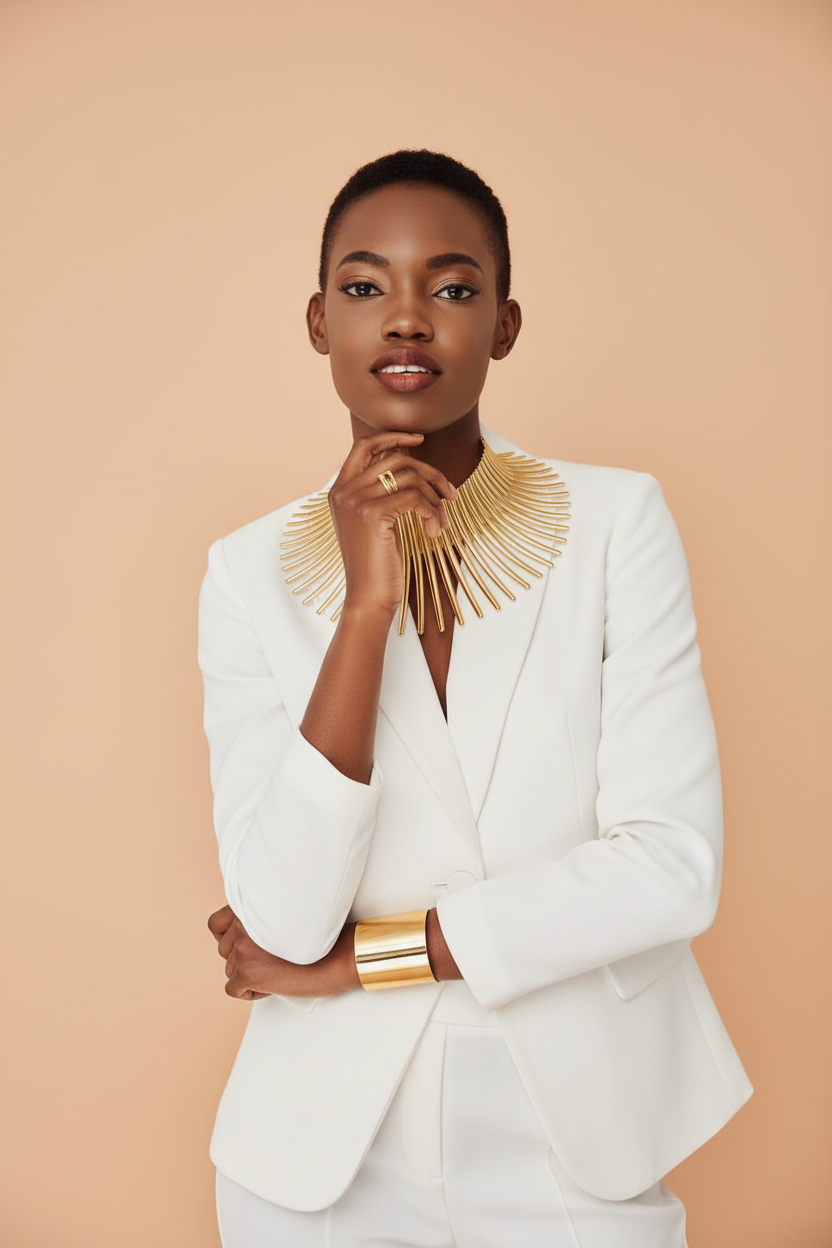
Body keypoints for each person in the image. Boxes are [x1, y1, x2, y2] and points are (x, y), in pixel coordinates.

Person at [198, 149, 752, 1248]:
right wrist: (363, 610)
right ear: (318, 321)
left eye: (451, 289)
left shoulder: (615, 524)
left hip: (578, 1136)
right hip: (317, 1163)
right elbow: (283, 917)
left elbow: (670, 869)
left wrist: (367, 961)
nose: (406, 320)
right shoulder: (246, 571)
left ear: (503, 324)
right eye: (364, 288)